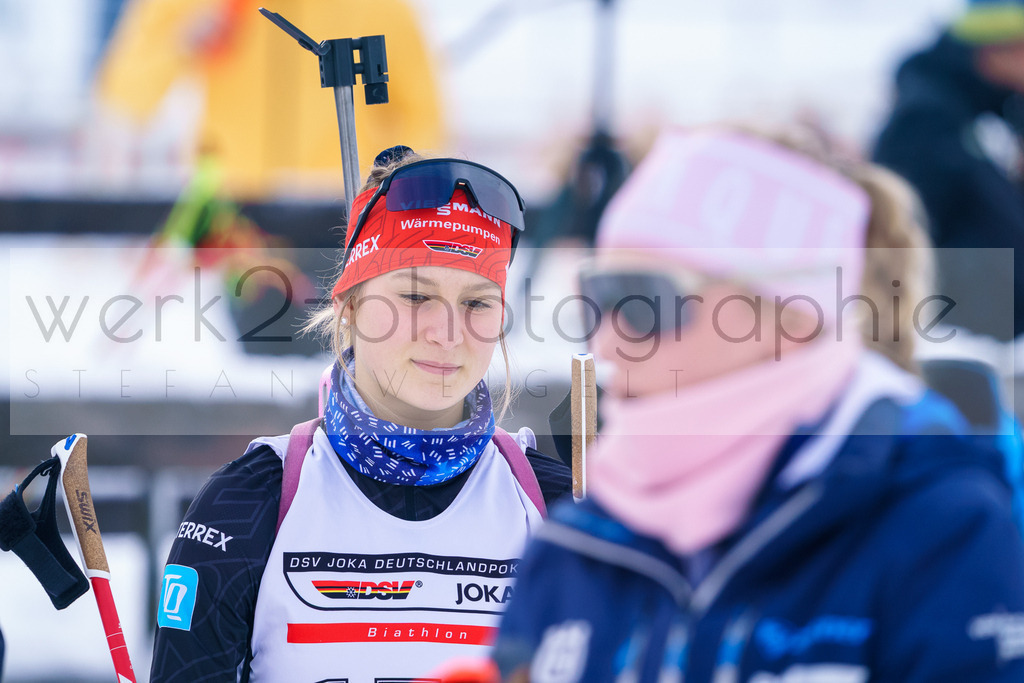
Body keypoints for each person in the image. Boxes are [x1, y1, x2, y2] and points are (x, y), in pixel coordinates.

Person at [490, 128, 1024, 682]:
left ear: (789, 317)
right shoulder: (580, 544)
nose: (605, 340)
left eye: (643, 298)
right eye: (596, 298)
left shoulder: (934, 527)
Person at [149, 147, 571, 682]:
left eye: (477, 303)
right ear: (348, 308)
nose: (447, 333)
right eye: (416, 295)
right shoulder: (248, 506)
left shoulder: (554, 507)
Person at [873, 0, 1024, 340]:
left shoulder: (988, 114)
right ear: (998, 51)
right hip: (969, 342)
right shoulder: (926, 119)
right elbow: (902, 234)